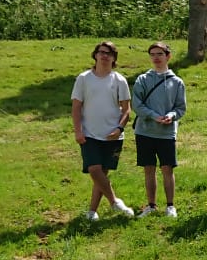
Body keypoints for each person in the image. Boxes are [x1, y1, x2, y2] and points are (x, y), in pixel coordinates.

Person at [71, 40, 134, 220]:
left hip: (112, 135)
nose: (105, 56)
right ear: (95, 55)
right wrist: (78, 131)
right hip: (89, 134)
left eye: (109, 53)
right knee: (94, 170)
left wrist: (119, 128)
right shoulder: (83, 78)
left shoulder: (119, 80)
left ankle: (92, 212)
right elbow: (76, 107)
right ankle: (115, 202)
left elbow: (127, 109)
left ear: (114, 58)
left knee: (102, 175)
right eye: (101, 52)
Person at [131, 42, 187, 217]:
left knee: (167, 169)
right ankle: (151, 205)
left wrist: (171, 116)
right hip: (144, 131)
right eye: (152, 54)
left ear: (168, 56)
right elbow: (136, 105)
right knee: (149, 169)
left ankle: (170, 206)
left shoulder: (177, 82)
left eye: (160, 54)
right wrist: (154, 115)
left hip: (167, 133)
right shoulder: (142, 79)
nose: (156, 58)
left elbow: (180, 108)